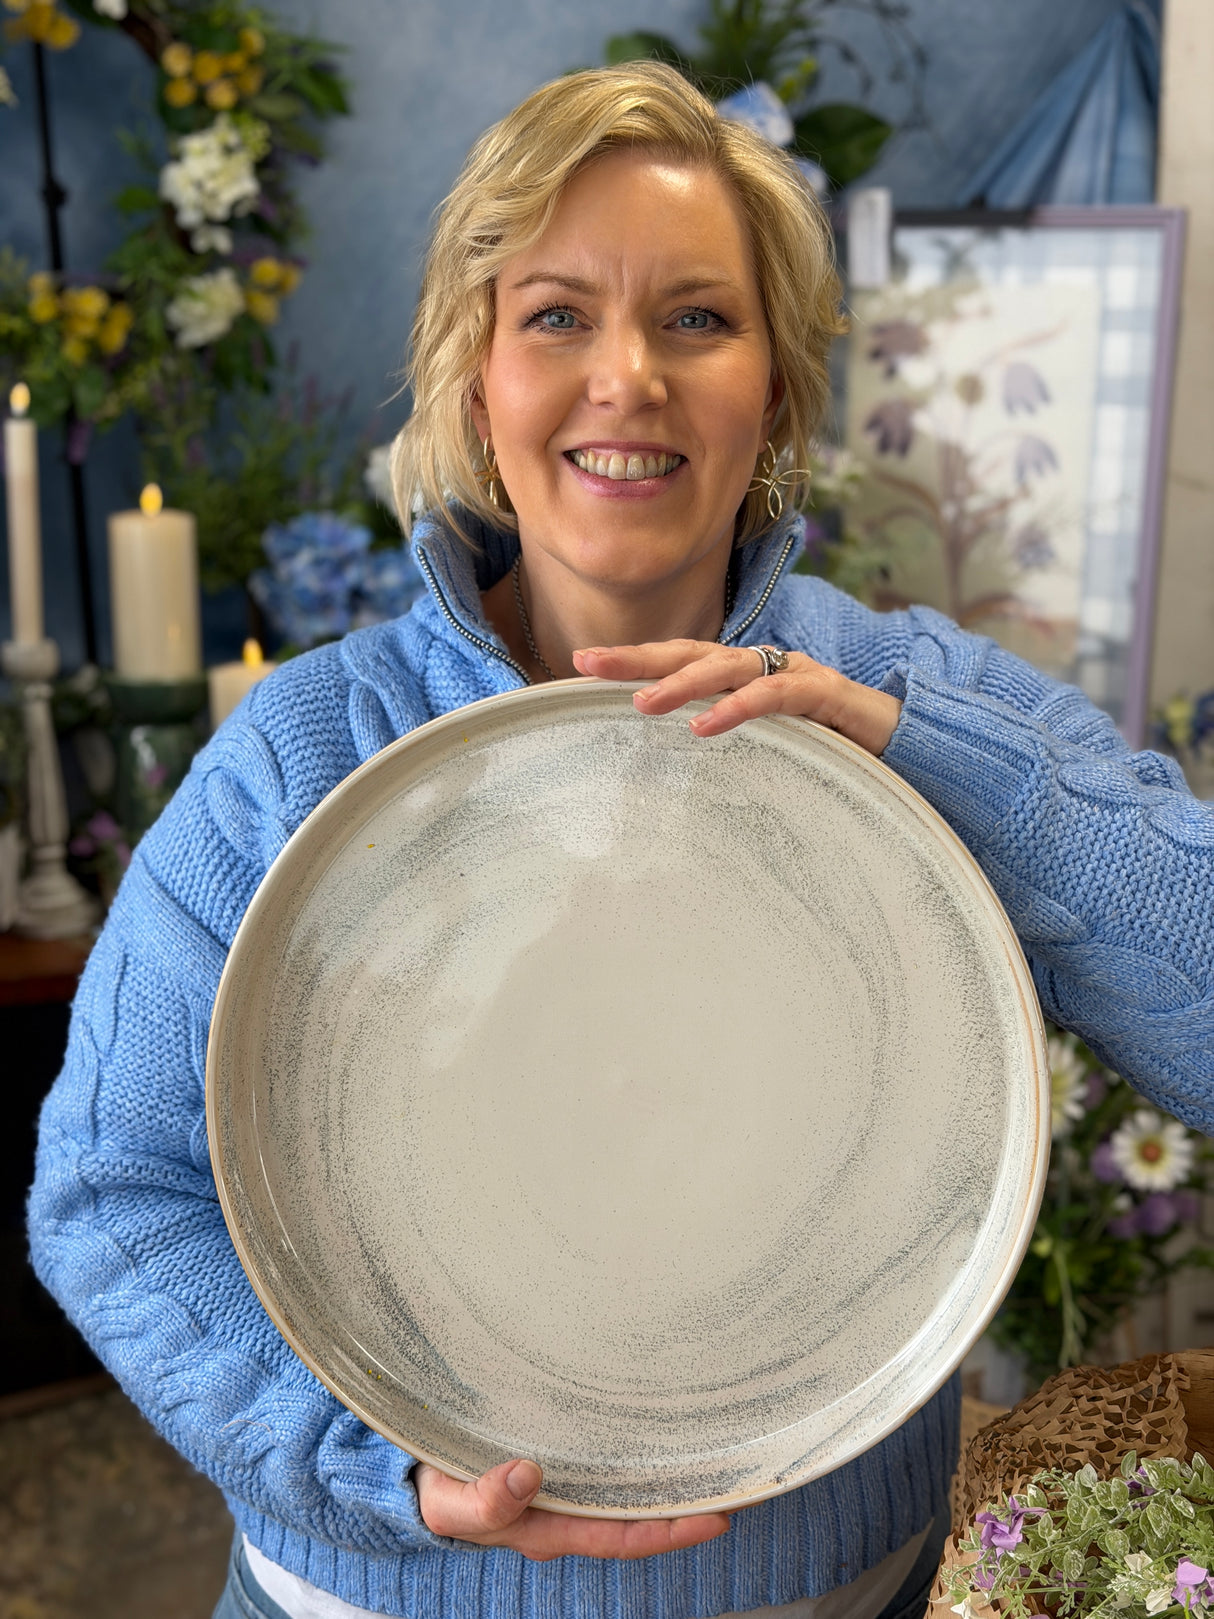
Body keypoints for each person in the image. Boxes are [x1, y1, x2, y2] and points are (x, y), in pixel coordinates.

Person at [29, 60, 1212, 1619]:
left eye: (697, 318)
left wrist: (934, 763)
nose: (626, 377)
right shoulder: (301, 756)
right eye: (556, 317)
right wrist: (374, 1469)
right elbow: (110, 1196)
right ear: (475, 381)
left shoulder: (909, 703)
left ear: (775, 388)